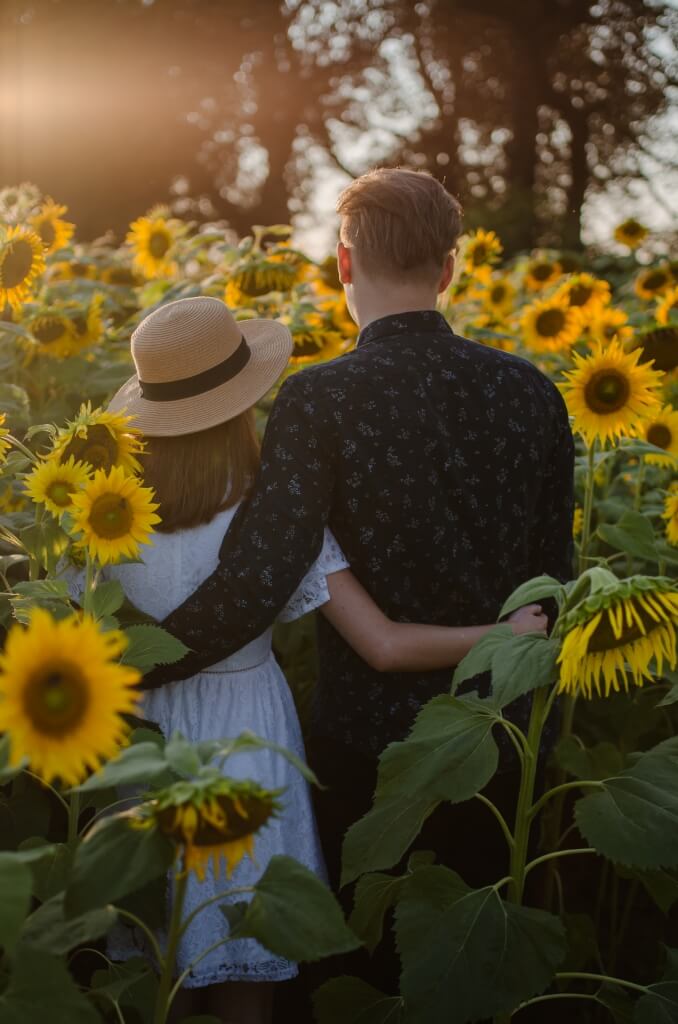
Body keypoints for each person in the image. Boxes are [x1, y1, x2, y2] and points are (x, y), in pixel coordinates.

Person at [139, 168, 574, 1004]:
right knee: (475, 979)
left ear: (344, 264)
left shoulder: (320, 398)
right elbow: (547, 581)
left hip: (371, 748)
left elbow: (261, 576)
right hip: (502, 738)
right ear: (449, 268)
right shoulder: (534, 391)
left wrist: (126, 664)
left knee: (359, 977)